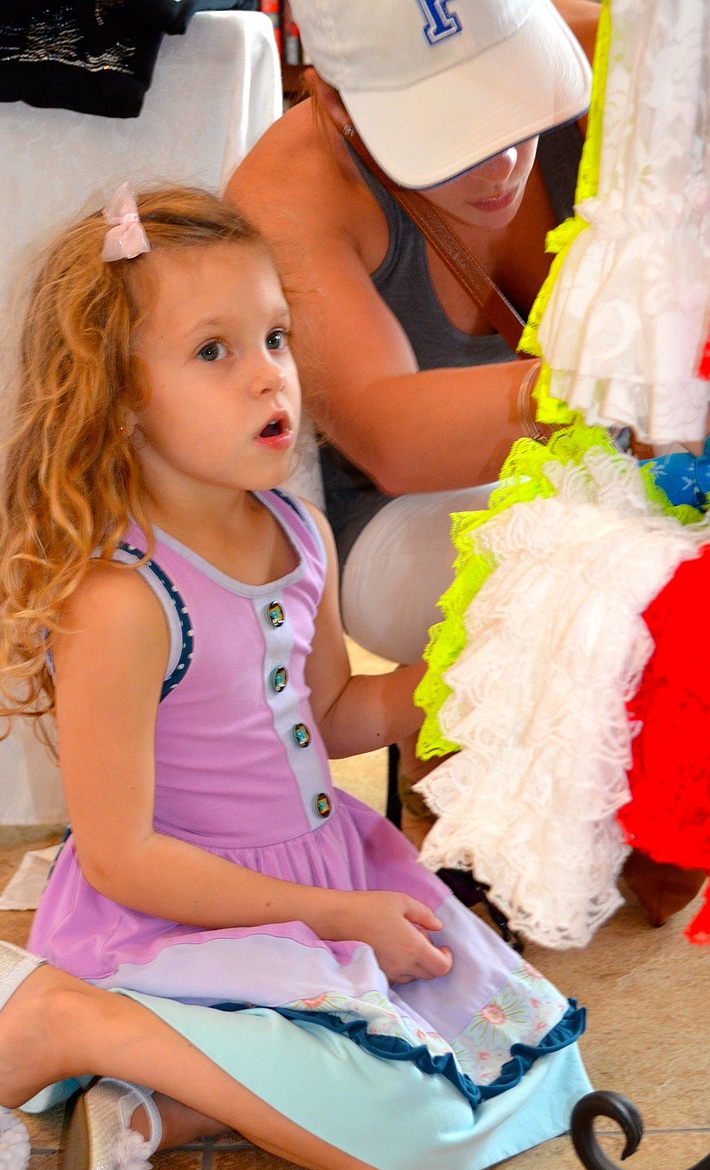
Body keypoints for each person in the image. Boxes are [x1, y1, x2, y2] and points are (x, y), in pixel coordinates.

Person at [0, 184, 591, 1170]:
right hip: (176, 909)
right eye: (213, 351)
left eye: (273, 335)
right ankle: (55, 1019)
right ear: (116, 395)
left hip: (323, 872)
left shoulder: (298, 528)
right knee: (417, 1135)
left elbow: (328, 720)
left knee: (536, 1061)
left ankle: (161, 1106)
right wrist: (340, 918)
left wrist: (458, 677)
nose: (269, 371)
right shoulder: (124, 599)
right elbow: (124, 854)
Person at [224, 0, 599, 830]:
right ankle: (466, 736)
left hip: (596, 460)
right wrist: (624, 373)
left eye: (517, 104)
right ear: (333, 104)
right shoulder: (287, 190)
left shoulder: (610, 48)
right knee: (577, 584)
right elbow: (393, 437)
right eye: (451, 135)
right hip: (396, 511)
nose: (502, 163)